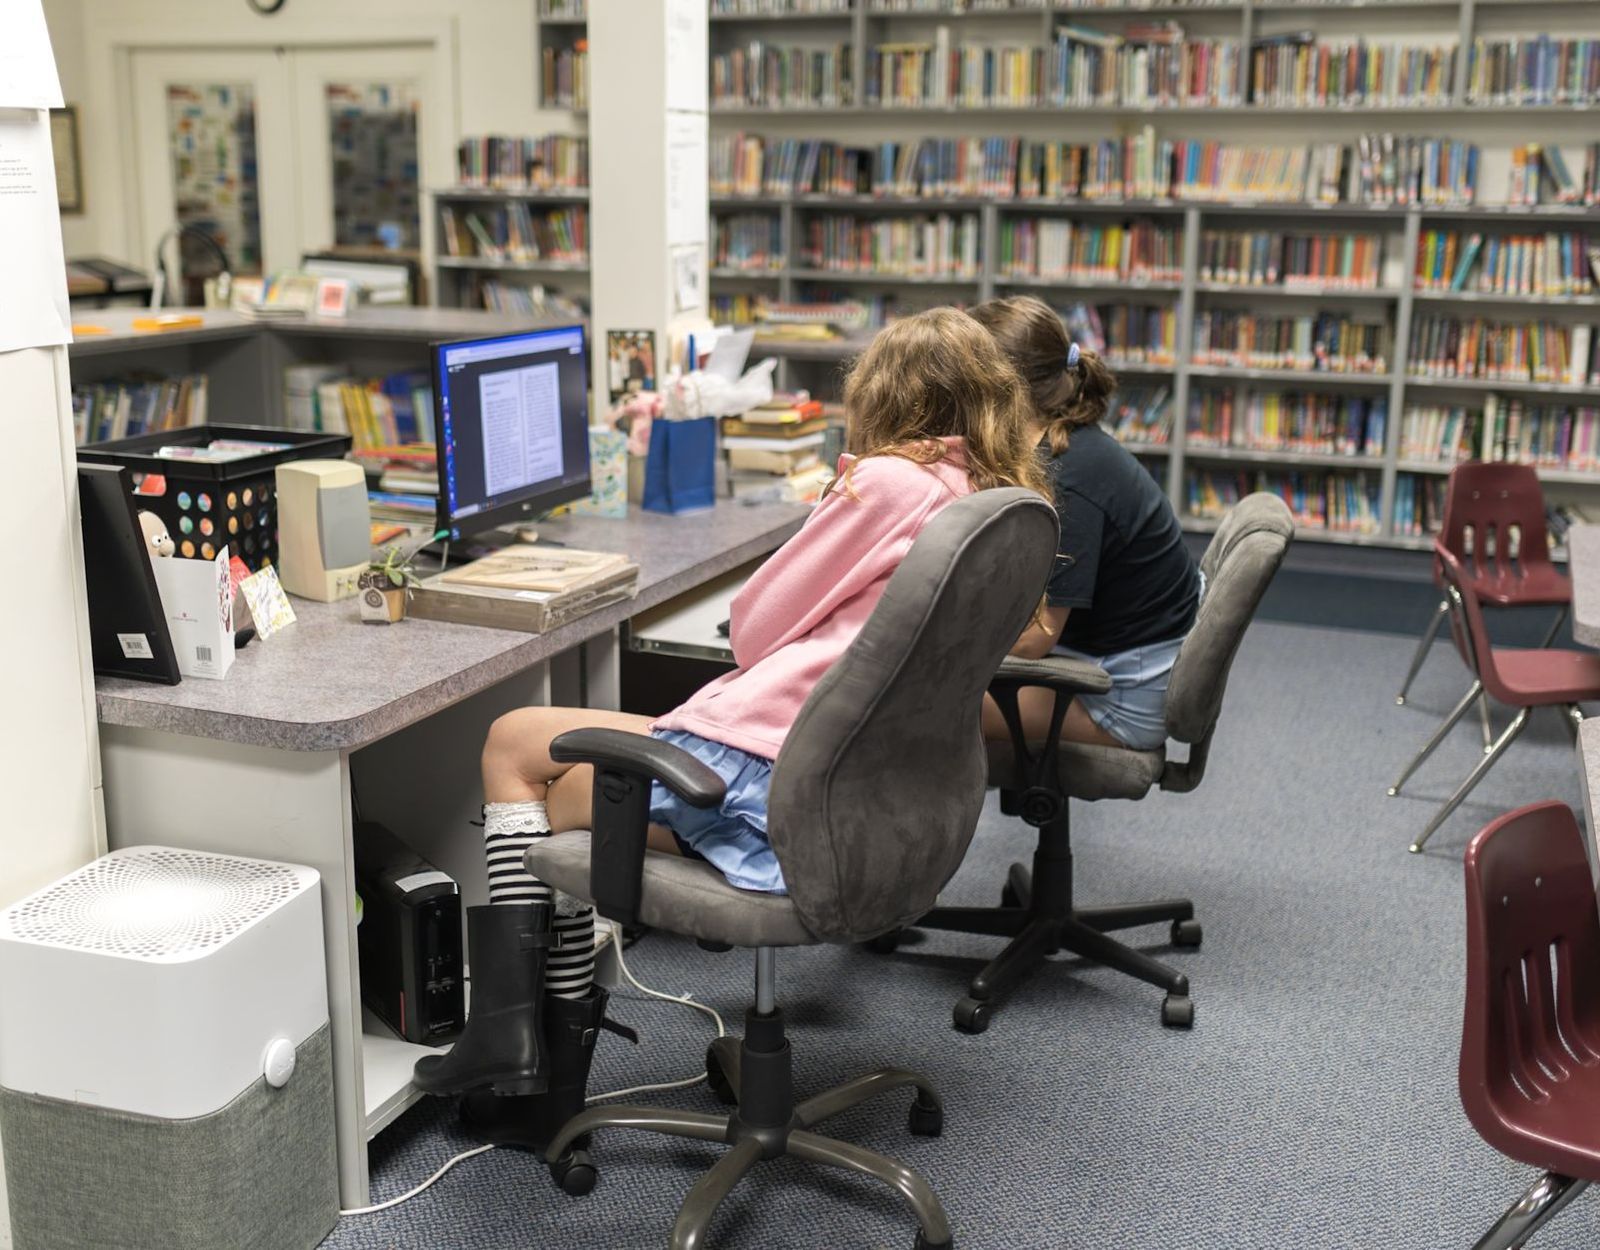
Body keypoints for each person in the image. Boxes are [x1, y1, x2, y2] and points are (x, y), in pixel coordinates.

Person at [413, 307, 1050, 1147]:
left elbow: (751, 631)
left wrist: (836, 497)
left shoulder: (889, 483)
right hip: (859, 794)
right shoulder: (986, 502)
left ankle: (524, 1057)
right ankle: (522, 1048)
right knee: (520, 736)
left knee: (532, 777)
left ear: (888, 399)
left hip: (764, 778)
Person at [969, 295, 1202, 753]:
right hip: (1111, 659)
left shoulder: (1067, 481)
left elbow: (1036, 639)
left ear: (999, 392)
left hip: (1119, 700)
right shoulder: (1063, 442)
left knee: (909, 710)